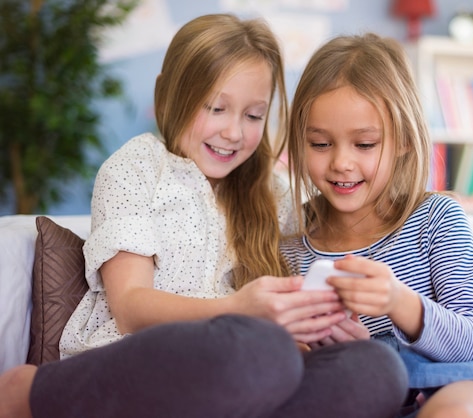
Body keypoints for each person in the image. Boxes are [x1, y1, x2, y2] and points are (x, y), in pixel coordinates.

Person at [0, 15, 409, 418]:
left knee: (376, 368)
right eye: (216, 108)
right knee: (262, 350)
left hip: (237, 374)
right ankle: (33, 393)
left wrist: (320, 330)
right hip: (140, 360)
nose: (234, 132)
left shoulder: (274, 193)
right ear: (168, 96)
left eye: (253, 116)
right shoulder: (137, 167)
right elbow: (130, 307)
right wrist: (239, 309)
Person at [280, 32, 473, 418]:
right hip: (360, 392)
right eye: (320, 144)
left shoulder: (435, 218)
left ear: (404, 141)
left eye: (364, 144)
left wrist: (400, 302)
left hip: (450, 379)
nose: (341, 163)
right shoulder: (291, 243)